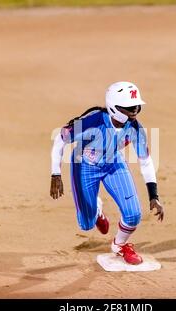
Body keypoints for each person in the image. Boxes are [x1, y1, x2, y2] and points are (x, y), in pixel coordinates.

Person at [50, 81, 164, 265]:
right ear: (114, 107)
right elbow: (60, 139)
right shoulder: (91, 122)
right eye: (129, 107)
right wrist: (56, 174)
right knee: (86, 224)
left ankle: (120, 245)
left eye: (136, 107)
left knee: (134, 214)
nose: (134, 111)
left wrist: (154, 195)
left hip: (113, 163)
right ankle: (96, 209)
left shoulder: (135, 128)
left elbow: (145, 161)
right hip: (84, 165)